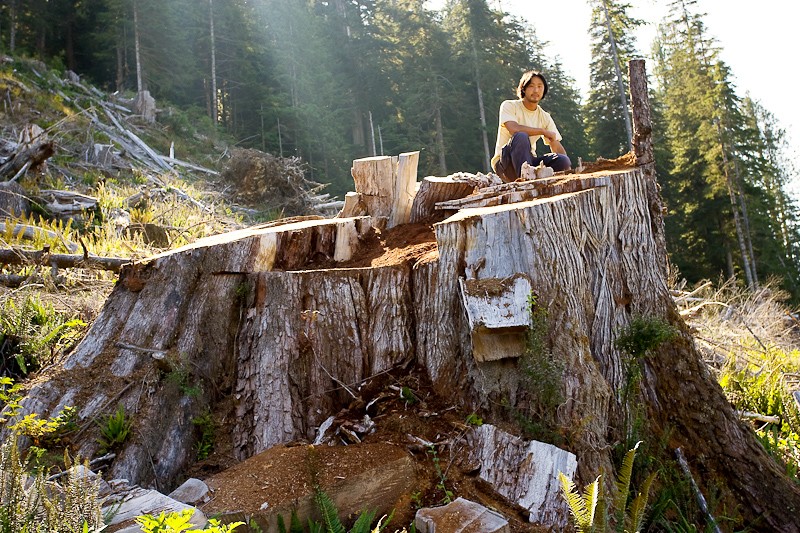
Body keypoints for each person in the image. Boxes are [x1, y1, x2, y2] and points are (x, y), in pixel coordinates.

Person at [491, 70, 571, 183]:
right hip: (505, 164)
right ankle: (526, 183)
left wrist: (564, 162)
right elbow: (513, 128)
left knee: (562, 160)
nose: (536, 90)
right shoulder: (509, 105)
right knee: (521, 136)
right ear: (523, 88)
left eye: (540, 86)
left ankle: (535, 180)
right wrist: (543, 131)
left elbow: (557, 147)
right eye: (531, 86)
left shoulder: (545, 116)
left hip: (529, 162)